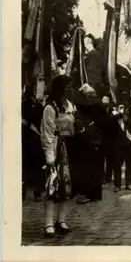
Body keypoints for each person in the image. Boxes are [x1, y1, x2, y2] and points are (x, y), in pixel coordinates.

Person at [40, 75, 76, 237]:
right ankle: (48, 223)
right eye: (68, 86)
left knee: (66, 185)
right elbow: (47, 134)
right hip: (55, 148)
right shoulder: (50, 108)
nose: (71, 89)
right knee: (52, 184)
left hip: (69, 148)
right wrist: (50, 158)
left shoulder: (70, 106)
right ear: (61, 88)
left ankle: (61, 220)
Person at [74, 84, 107, 204]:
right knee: (96, 168)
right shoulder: (98, 105)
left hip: (93, 139)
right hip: (97, 140)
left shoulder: (93, 106)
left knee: (90, 168)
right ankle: (95, 193)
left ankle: (89, 193)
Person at [22, 92, 45, 202]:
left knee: (31, 166)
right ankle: (34, 192)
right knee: (32, 167)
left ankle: (33, 192)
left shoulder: (29, 106)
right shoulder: (28, 106)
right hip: (30, 138)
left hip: (32, 138)